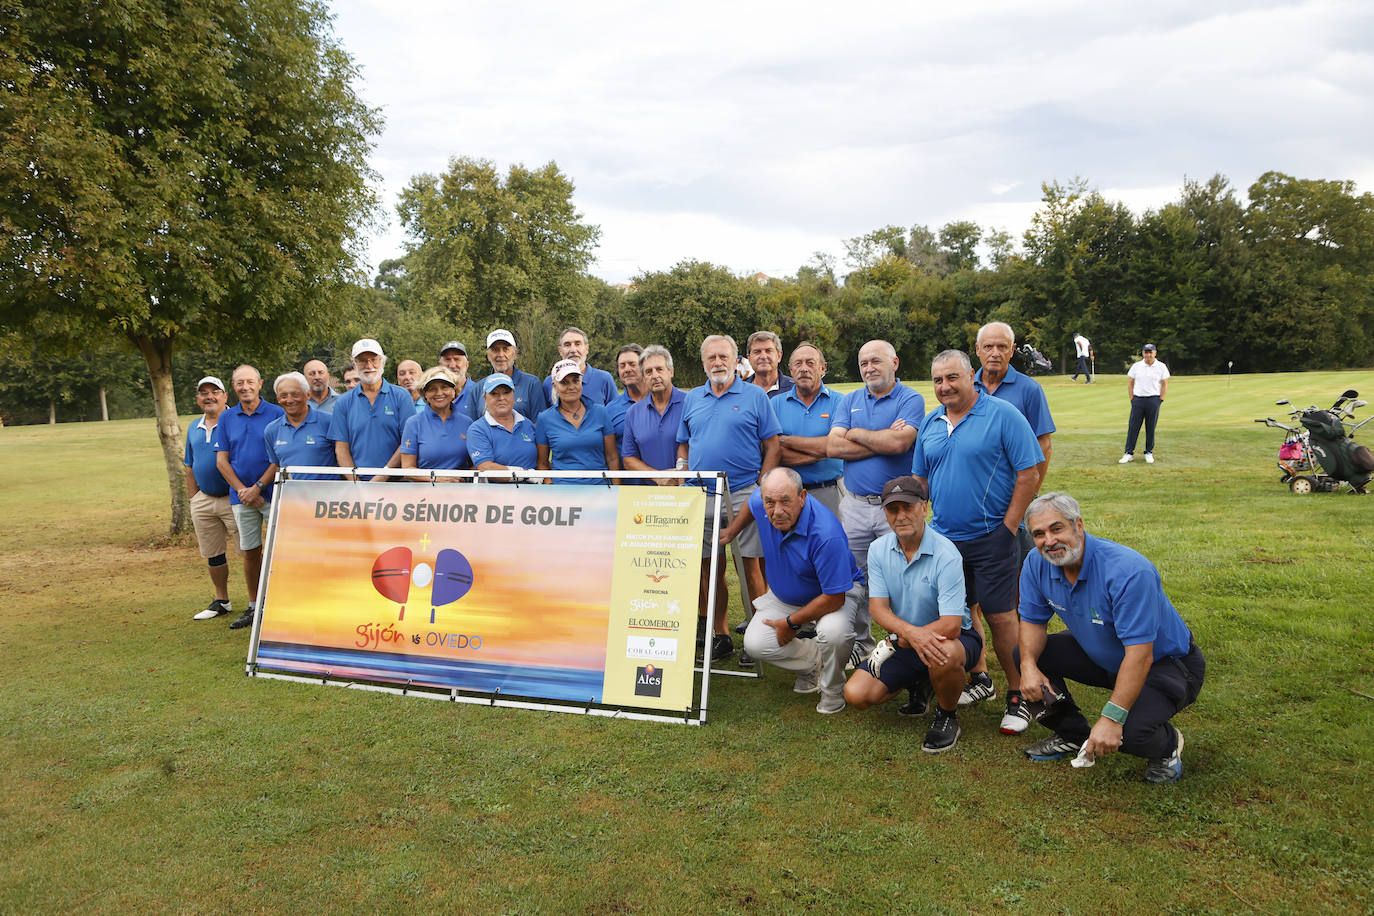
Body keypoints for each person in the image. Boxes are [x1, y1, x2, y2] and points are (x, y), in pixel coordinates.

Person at [1017, 493, 1204, 783]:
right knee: (1026, 656)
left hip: (1166, 665)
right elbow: (1031, 622)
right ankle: (1071, 732)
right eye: (1038, 534)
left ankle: (1167, 746)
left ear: (1078, 525)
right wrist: (1028, 666)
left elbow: (1141, 654)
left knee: (1126, 734)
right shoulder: (1035, 563)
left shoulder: (1128, 572)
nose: (1049, 541)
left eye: (1057, 529)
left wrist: (1111, 718)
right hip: (1105, 656)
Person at [911, 350, 1043, 734]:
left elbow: (1029, 472)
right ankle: (980, 678)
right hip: (946, 540)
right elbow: (921, 480)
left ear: (973, 375)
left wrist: (1008, 527)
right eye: (937, 380)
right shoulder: (931, 421)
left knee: (1002, 617)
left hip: (992, 537)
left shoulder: (1003, 415)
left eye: (952, 377)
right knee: (964, 614)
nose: (945, 387)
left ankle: (1019, 696)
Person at [843, 476, 981, 753]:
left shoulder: (947, 554)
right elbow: (878, 608)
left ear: (924, 508)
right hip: (906, 638)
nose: (901, 516)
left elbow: (952, 625)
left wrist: (908, 636)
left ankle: (946, 714)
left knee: (946, 654)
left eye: (908, 507)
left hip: (953, 638)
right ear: (885, 513)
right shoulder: (878, 549)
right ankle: (922, 682)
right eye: (893, 509)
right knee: (856, 694)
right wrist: (908, 635)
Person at [968, 321, 1057, 724]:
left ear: (1013, 348)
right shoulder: (963, 385)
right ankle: (979, 674)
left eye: (1002, 346)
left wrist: (1026, 505)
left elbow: (1042, 447)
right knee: (970, 600)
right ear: (977, 349)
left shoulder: (1028, 390)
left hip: (1013, 511)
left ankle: (1025, 678)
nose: (995, 353)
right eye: (988, 346)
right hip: (972, 517)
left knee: (1012, 601)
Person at [721, 468, 864, 714]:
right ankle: (814, 663)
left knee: (833, 633)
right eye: (770, 502)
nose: (777, 511)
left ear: (803, 497)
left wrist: (791, 623)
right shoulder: (762, 500)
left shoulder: (826, 534)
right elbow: (753, 502)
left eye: (786, 501)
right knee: (755, 643)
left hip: (833, 594)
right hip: (786, 595)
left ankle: (833, 690)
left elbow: (834, 598)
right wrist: (732, 531)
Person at [676, 334, 781, 662]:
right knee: (710, 568)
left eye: (724, 357)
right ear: (703, 363)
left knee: (750, 564)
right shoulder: (692, 398)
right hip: (702, 494)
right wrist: (681, 472)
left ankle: (757, 633)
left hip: (743, 492)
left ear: (736, 361)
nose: (717, 363)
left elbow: (773, 444)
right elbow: (684, 442)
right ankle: (720, 634)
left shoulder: (754, 396)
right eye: (711, 358)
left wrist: (763, 483)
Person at [826, 339, 926, 663]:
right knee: (853, 579)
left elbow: (900, 444)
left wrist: (855, 432)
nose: (869, 368)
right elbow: (832, 447)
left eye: (876, 361)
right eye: (863, 363)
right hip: (853, 504)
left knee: (903, 579)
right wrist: (882, 437)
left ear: (894, 363)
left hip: (896, 509)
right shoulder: (851, 399)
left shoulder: (910, 398)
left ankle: (905, 648)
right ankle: (861, 643)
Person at [213, 364, 285, 630]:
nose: (245, 387)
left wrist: (257, 487)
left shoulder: (277, 413)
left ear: (260, 383)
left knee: (281, 552)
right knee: (250, 552)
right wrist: (244, 491)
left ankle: (280, 605)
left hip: (272, 493)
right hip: (241, 497)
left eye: (249, 382)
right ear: (233, 387)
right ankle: (255, 606)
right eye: (239, 383)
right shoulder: (226, 418)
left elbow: (279, 458)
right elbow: (222, 460)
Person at [182, 375, 240, 621]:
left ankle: (257, 601)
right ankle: (221, 600)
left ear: (225, 396)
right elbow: (189, 465)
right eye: (204, 392)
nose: (209, 396)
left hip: (234, 497)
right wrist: (194, 498)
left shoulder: (236, 422)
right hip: (204, 499)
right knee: (213, 554)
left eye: (214, 391)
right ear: (198, 399)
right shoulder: (193, 427)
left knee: (249, 552)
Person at [772, 342, 844, 519]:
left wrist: (786, 440)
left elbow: (837, 446)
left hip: (830, 491)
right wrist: (822, 451)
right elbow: (774, 452)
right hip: (787, 495)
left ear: (823, 368)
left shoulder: (841, 402)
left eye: (810, 363)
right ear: (790, 369)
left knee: (830, 545)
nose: (804, 368)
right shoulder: (774, 404)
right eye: (798, 363)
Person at [327, 338, 414, 480]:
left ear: (383, 362)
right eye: (362, 360)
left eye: (374, 359)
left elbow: (407, 441)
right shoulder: (343, 402)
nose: (369, 365)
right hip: (358, 486)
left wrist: (382, 476)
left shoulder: (401, 396)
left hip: (396, 484)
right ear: (355, 365)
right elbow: (341, 448)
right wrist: (356, 482)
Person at [536, 359, 619, 485]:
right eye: (564, 382)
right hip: (563, 491)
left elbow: (612, 458)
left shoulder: (600, 412)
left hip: (599, 488)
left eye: (576, 381)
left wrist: (615, 491)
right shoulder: (545, 418)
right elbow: (542, 463)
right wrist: (549, 486)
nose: (571, 387)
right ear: (555, 386)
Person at [620, 345, 686, 487]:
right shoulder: (633, 413)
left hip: (690, 493)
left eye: (659, 369)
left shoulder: (690, 403)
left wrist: (681, 476)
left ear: (671, 372)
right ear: (643, 378)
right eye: (648, 372)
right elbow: (628, 459)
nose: (655, 376)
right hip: (651, 497)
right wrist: (659, 477)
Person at [262, 372, 337, 482]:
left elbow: (343, 457)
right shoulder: (272, 430)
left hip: (326, 496)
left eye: (295, 395)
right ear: (278, 398)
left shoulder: (329, 422)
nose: (289, 400)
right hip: (292, 496)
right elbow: (276, 464)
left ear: (307, 395)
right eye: (283, 396)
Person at [400, 367, 474, 478]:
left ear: (454, 391)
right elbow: (407, 469)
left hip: (460, 490)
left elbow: (475, 464)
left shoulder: (467, 423)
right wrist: (438, 480)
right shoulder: (413, 423)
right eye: (432, 389)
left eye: (444, 387)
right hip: (425, 492)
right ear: (425, 394)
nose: (439, 393)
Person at [465, 373, 538, 479]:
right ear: (485, 397)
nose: (501, 398)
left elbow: (541, 460)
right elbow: (486, 467)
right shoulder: (477, 429)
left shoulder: (527, 424)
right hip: (497, 492)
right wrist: (524, 474)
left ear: (513, 394)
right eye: (494, 394)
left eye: (506, 392)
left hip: (533, 491)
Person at [541, 326, 617, 406]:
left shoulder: (604, 379)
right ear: (560, 351)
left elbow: (615, 413)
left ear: (587, 348)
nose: (573, 350)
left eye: (578, 344)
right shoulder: (549, 382)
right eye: (567, 345)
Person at [1120, 344, 1170, 464]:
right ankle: (1129, 453)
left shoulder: (1161, 366)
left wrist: (1160, 399)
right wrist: (1132, 398)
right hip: (1138, 400)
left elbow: (1164, 383)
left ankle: (1148, 452)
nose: (1148, 355)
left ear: (1155, 353)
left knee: (1150, 427)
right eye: (1146, 352)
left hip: (1153, 399)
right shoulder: (1137, 366)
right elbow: (1131, 382)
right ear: (1143, 353)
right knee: (1133, 427)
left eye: (1150, 352)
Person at [482, 329, 548, 418]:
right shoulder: (477, 389)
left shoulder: (532, 384)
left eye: (506, 349)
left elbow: (539, 423)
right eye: (495, 350)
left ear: (515, 353)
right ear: (488, 355)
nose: (501, 354)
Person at [605, 343, 647, 454]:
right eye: (622, 366)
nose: (627, 369)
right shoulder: (610, 409)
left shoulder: (660, 401)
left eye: (632, 364)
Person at [438, 340, 479, 421]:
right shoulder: (433, 394)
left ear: (467, 364)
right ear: (440, 364)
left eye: (457, 359)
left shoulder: (478, 392)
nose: (452, 365)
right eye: (447, 359)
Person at [745, 330, 794, 396]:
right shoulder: (739, 391)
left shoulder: (795, 389)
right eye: (757, 352)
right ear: (749, 358)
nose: (763, 356)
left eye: (768, 351)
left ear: (779, 356)